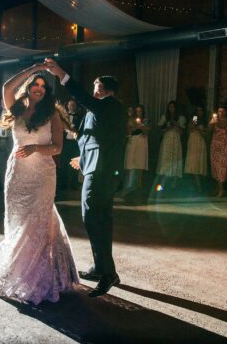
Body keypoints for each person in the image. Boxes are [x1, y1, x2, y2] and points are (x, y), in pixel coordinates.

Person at [0, 62, 78, 305]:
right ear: (28, 87)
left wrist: (36, 148)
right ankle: (20, 272)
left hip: (43, 175)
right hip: (17, 175)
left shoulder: (52, 114)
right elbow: (7, 86)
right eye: (35, 84)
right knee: (18, 222)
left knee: (39, 223)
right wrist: (34, 68)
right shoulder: (16, 108)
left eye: (43, 86)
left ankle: (42, 279)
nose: (39, 88)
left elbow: (57, 146)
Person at [46, 58, 126, 297]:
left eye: (97, 86)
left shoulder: (110, 105)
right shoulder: (98, 111)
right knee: (99, 218)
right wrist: (82, 157)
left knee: (92, 217)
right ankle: (103, 267)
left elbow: (82, 97)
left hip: (101, 172)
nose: (94, 89)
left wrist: (62, 74)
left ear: (108, 91)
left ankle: (108, 273)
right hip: (95, 167)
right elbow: (94, 138)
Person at [156, 101, 186, 189]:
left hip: (176, 139)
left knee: (175, 159)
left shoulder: (181, 118)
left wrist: (177, 125)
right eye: (170, 107)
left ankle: (174, 182)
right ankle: (163, 183)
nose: (172, 109)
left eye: (173, 107)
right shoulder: (165, 117)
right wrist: (167, 126)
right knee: (165, 160)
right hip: (167, 139)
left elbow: (183, 131)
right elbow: (160, 128)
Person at [122, 104, 150, 197]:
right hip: (133, 141)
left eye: (140, 111)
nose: (139, 112)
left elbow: (146, 132)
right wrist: (134, 127)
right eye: (137, 111)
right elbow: (129, 131)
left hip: (142, 142)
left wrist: (142, 127)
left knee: (140, 163)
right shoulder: (131, 119)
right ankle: (128, 186)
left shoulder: (146, 120)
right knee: (130, 163)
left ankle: (138, 187)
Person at [210, 106, 227, 197]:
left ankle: (221, 189)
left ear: (225, 112)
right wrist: (212, 122)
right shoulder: (214, 120)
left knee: (222, 167)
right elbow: (209, 129)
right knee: (215, 166)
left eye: (223, 111)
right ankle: (218, 188)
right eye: (219, 111)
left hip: (224, 145)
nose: (221, 113)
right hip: (215, 145)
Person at [59, 99, 82, 192]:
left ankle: (74, 184)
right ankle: (63, 184)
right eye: (70, 105)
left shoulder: (80, 117)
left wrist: (75, 128)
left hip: (75, 143)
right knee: (64, 163)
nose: (72, 106)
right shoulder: (63, 117)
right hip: (65, 143)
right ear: (67, 106)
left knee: (75, 163)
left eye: (74, 105)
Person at [184, 106, 209, 192]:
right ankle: (196, 184)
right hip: (193, 141)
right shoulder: (194, 118)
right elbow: (190, 129)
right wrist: (193, 125)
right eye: (198, 110)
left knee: (199, 162)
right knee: (193, 163)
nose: (199, 112)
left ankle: (200, 184)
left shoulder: (205, 121)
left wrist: (199, 129)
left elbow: (205, 134)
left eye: (201, 110)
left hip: (200, 142)